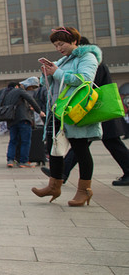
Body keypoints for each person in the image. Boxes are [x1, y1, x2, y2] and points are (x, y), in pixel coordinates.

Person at [44, 37, 129, 186]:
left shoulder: (90, 61)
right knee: (81, 145)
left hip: (99, 110)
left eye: (62, 44)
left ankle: (64, 174)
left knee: (107, 144)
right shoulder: (88, 60)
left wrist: (60, 73)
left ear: (76, 44)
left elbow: (83, 83)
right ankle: (63, 173)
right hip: (94, 110)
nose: (60, 49)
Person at [31, 27, 101, 206]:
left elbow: (85, 79)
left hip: (76, 111)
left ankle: (84, 190)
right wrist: (46, 74)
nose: (58, 48)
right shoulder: (63, 60)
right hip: (59, 110)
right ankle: (54, 186)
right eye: (55, 45)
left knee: (80, 149)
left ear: (74, 41)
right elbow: (52, 82)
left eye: (61, 44)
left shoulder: (87, 57)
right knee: (55, 149)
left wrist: (57, 73)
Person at [0, 77, 45, 168]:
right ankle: (23, 161)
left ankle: (10, 160)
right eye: (32, 87)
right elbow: (31, 100)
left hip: (12, 120)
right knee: (25, 141)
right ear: (29, 84)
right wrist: (39, 111)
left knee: (13, 141)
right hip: (23, 119)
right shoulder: (21, 91)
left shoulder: (9, 93)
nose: (31, 90)